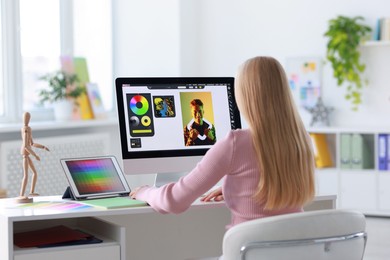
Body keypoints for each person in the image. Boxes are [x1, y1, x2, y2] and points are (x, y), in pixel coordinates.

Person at [130, 56, 315, 229]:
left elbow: (174, 201)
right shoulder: (300, 139)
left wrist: (145, 192)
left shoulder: (236, 143)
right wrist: (236, 188)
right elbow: (273, 183)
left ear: (245, 96)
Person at [17, 112, 50, 203]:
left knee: (34, 173)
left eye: (28, 117)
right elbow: (26, 146)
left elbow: (31, 143)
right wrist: (35, 155)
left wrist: (43, 147)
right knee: (26, 175)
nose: (26, 119)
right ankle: (21, 194)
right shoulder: (25, 129)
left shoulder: (28, 129)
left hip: (27, 154)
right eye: (25, 117)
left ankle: (31, 192)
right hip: (25, 154)